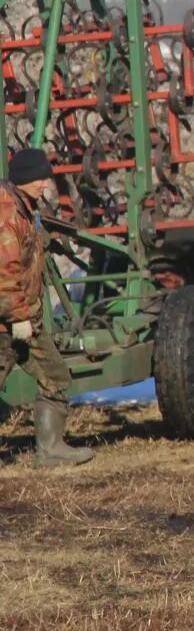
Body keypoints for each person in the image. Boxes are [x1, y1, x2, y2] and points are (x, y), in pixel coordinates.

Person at [0, 147, 92, 467]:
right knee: (53, 374)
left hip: (23, 315)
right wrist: (18, 317)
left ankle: (51, 450)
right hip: (10, 319)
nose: (45, 185)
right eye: (40, 179)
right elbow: (4, 272)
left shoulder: (24, 208)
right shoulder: (8, 212)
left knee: (54, 375)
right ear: (24, 179)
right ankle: (51, 450)